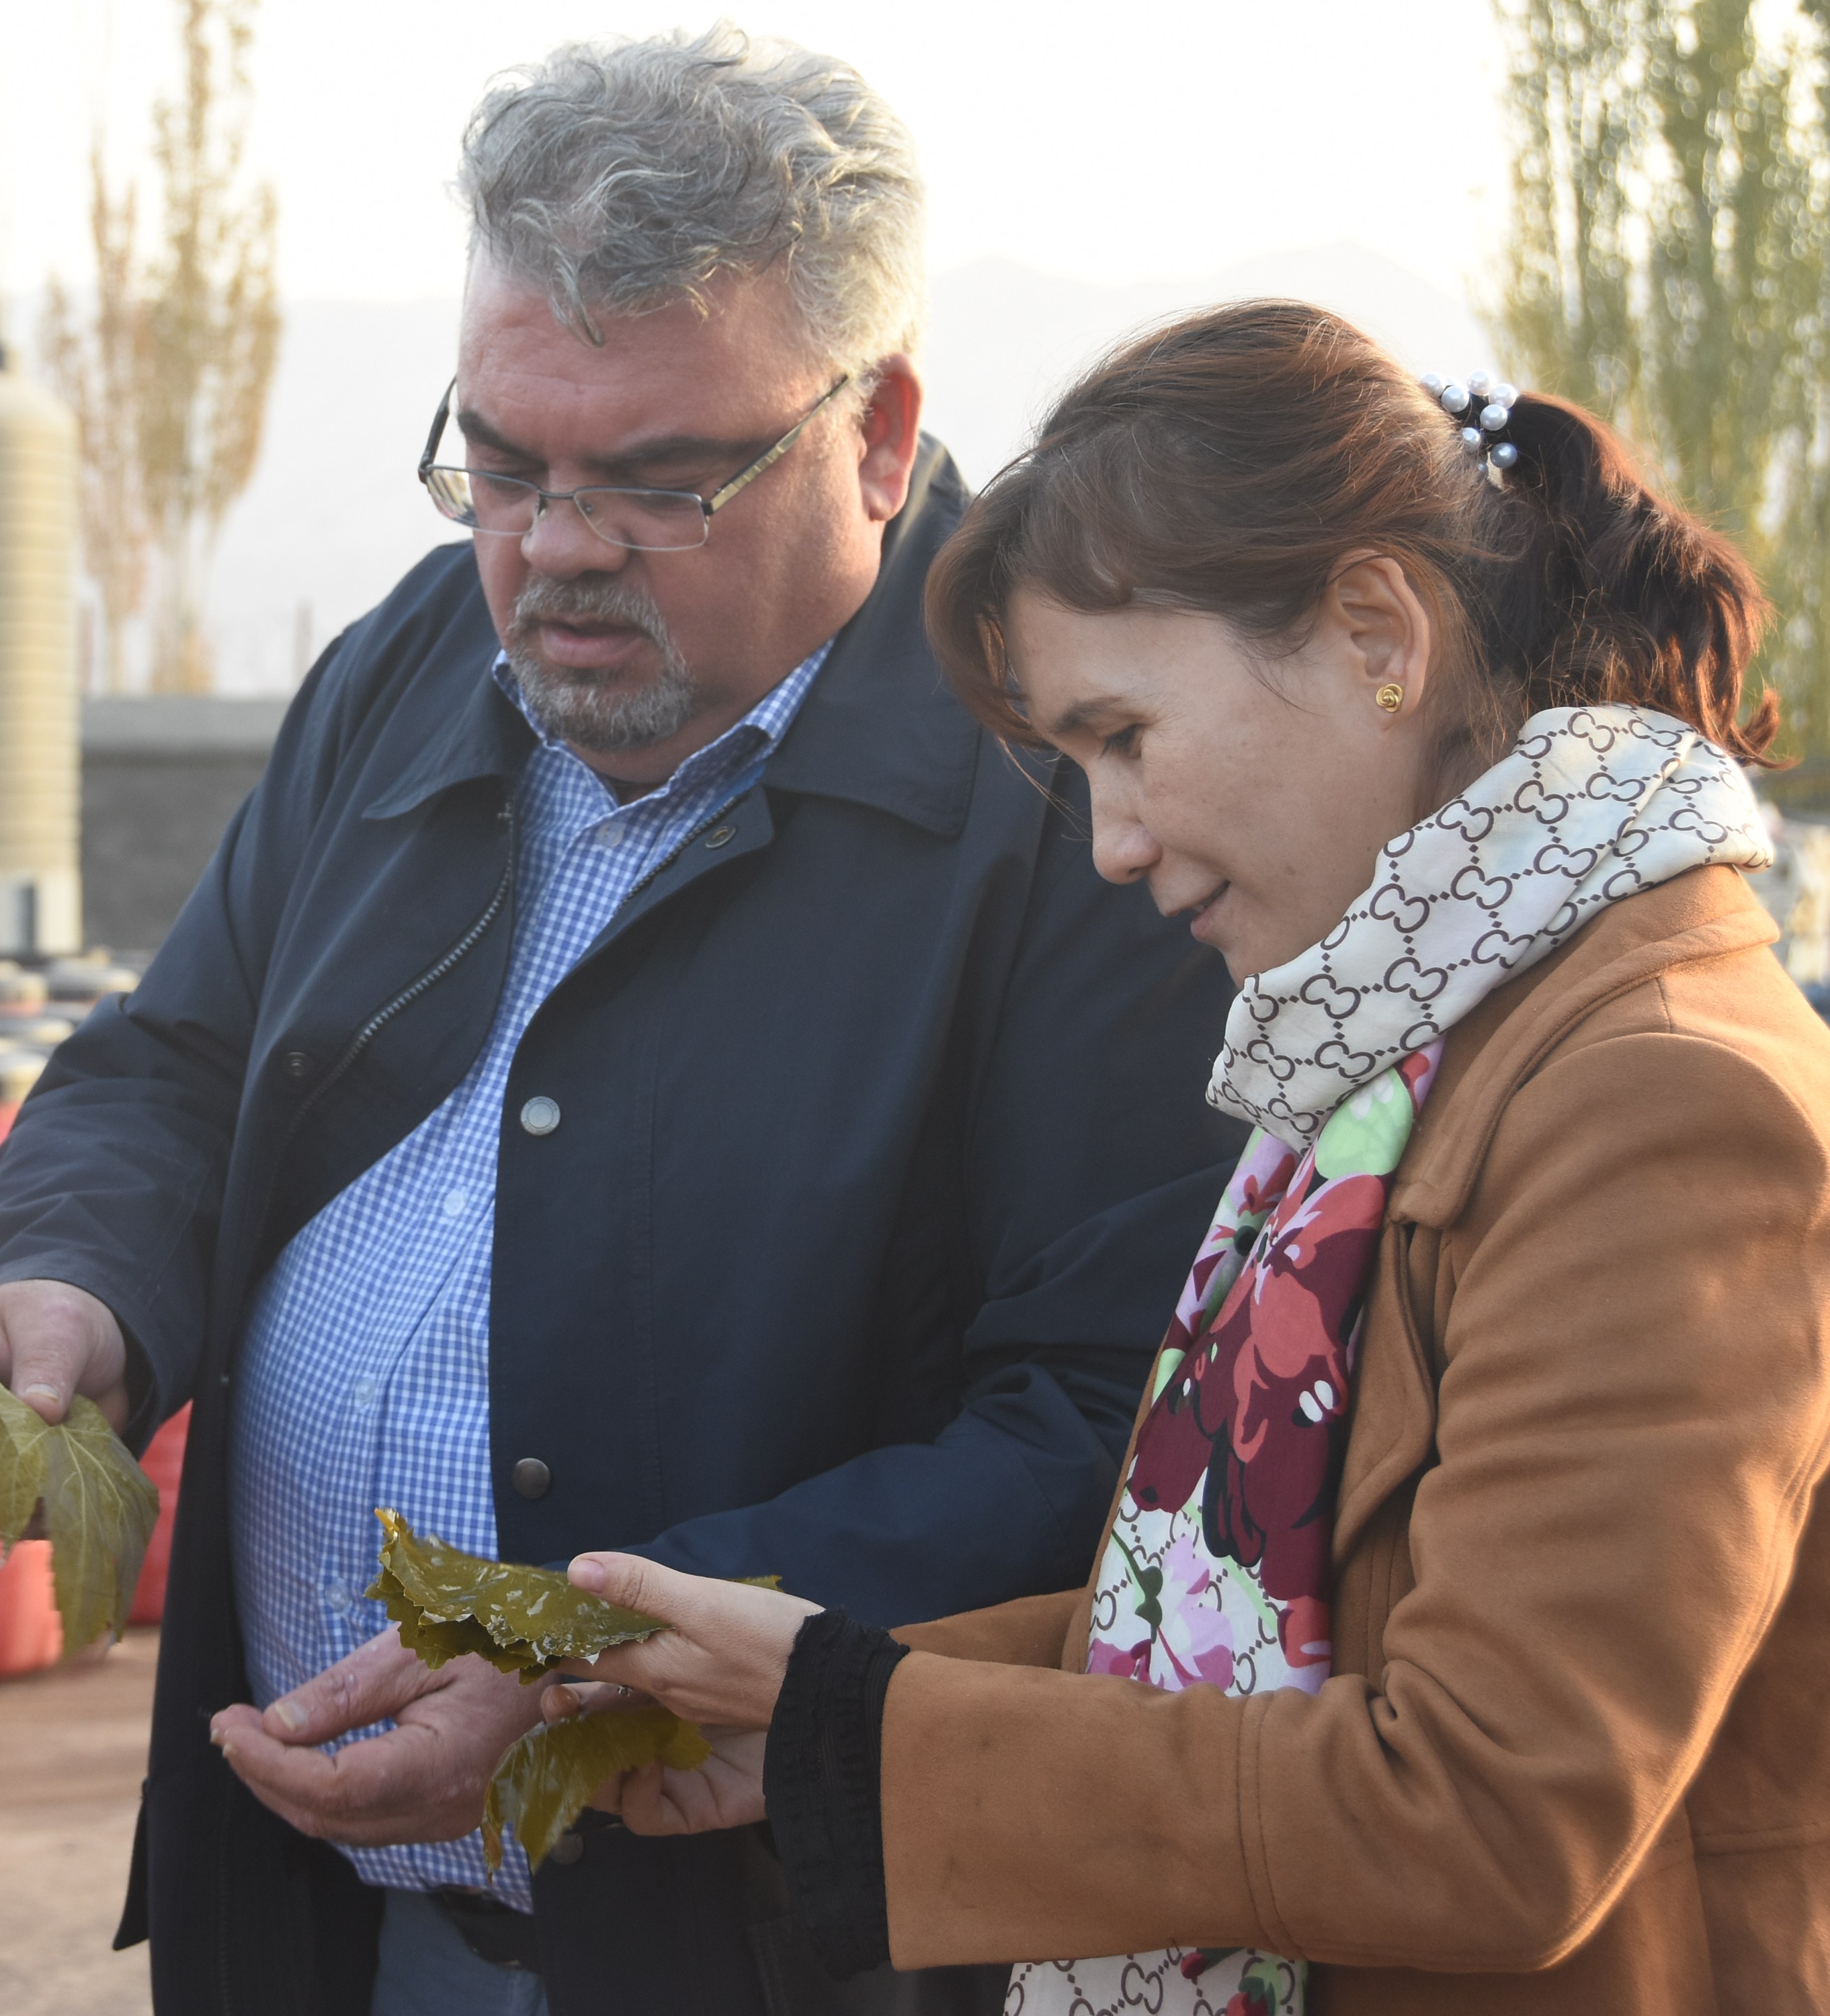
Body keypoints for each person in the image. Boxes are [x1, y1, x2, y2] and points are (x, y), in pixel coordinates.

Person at [0, 27, 1241, 2015]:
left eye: (660, 483)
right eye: (504, 464)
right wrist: (73, 1279)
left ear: (879, 435)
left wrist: (589, 1656)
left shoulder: (1068, 790)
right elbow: (177, 1064)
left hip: (759, 1950)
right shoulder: (409, 661)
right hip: (308, 1915)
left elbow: (1105, 1422)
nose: (555, 550)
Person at [556, 300, 1830, 2014]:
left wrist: (866, 1726)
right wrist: (810, 1724)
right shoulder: (1393, 1053)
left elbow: (1489, 1811)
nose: (1108, 843)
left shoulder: (1652, 1097)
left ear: (1376, 634)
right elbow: (1233, 1631)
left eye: (1124, 737)